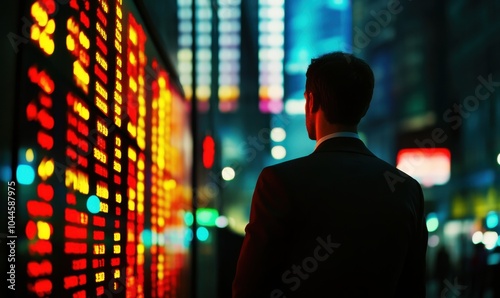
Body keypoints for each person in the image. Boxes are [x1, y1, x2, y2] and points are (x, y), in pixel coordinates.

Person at [232, 51, 428, 298]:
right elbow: (413, 288)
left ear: (311, 101)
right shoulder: (407, 190)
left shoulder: (279, 182)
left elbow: (248, 288)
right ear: (364, 107)